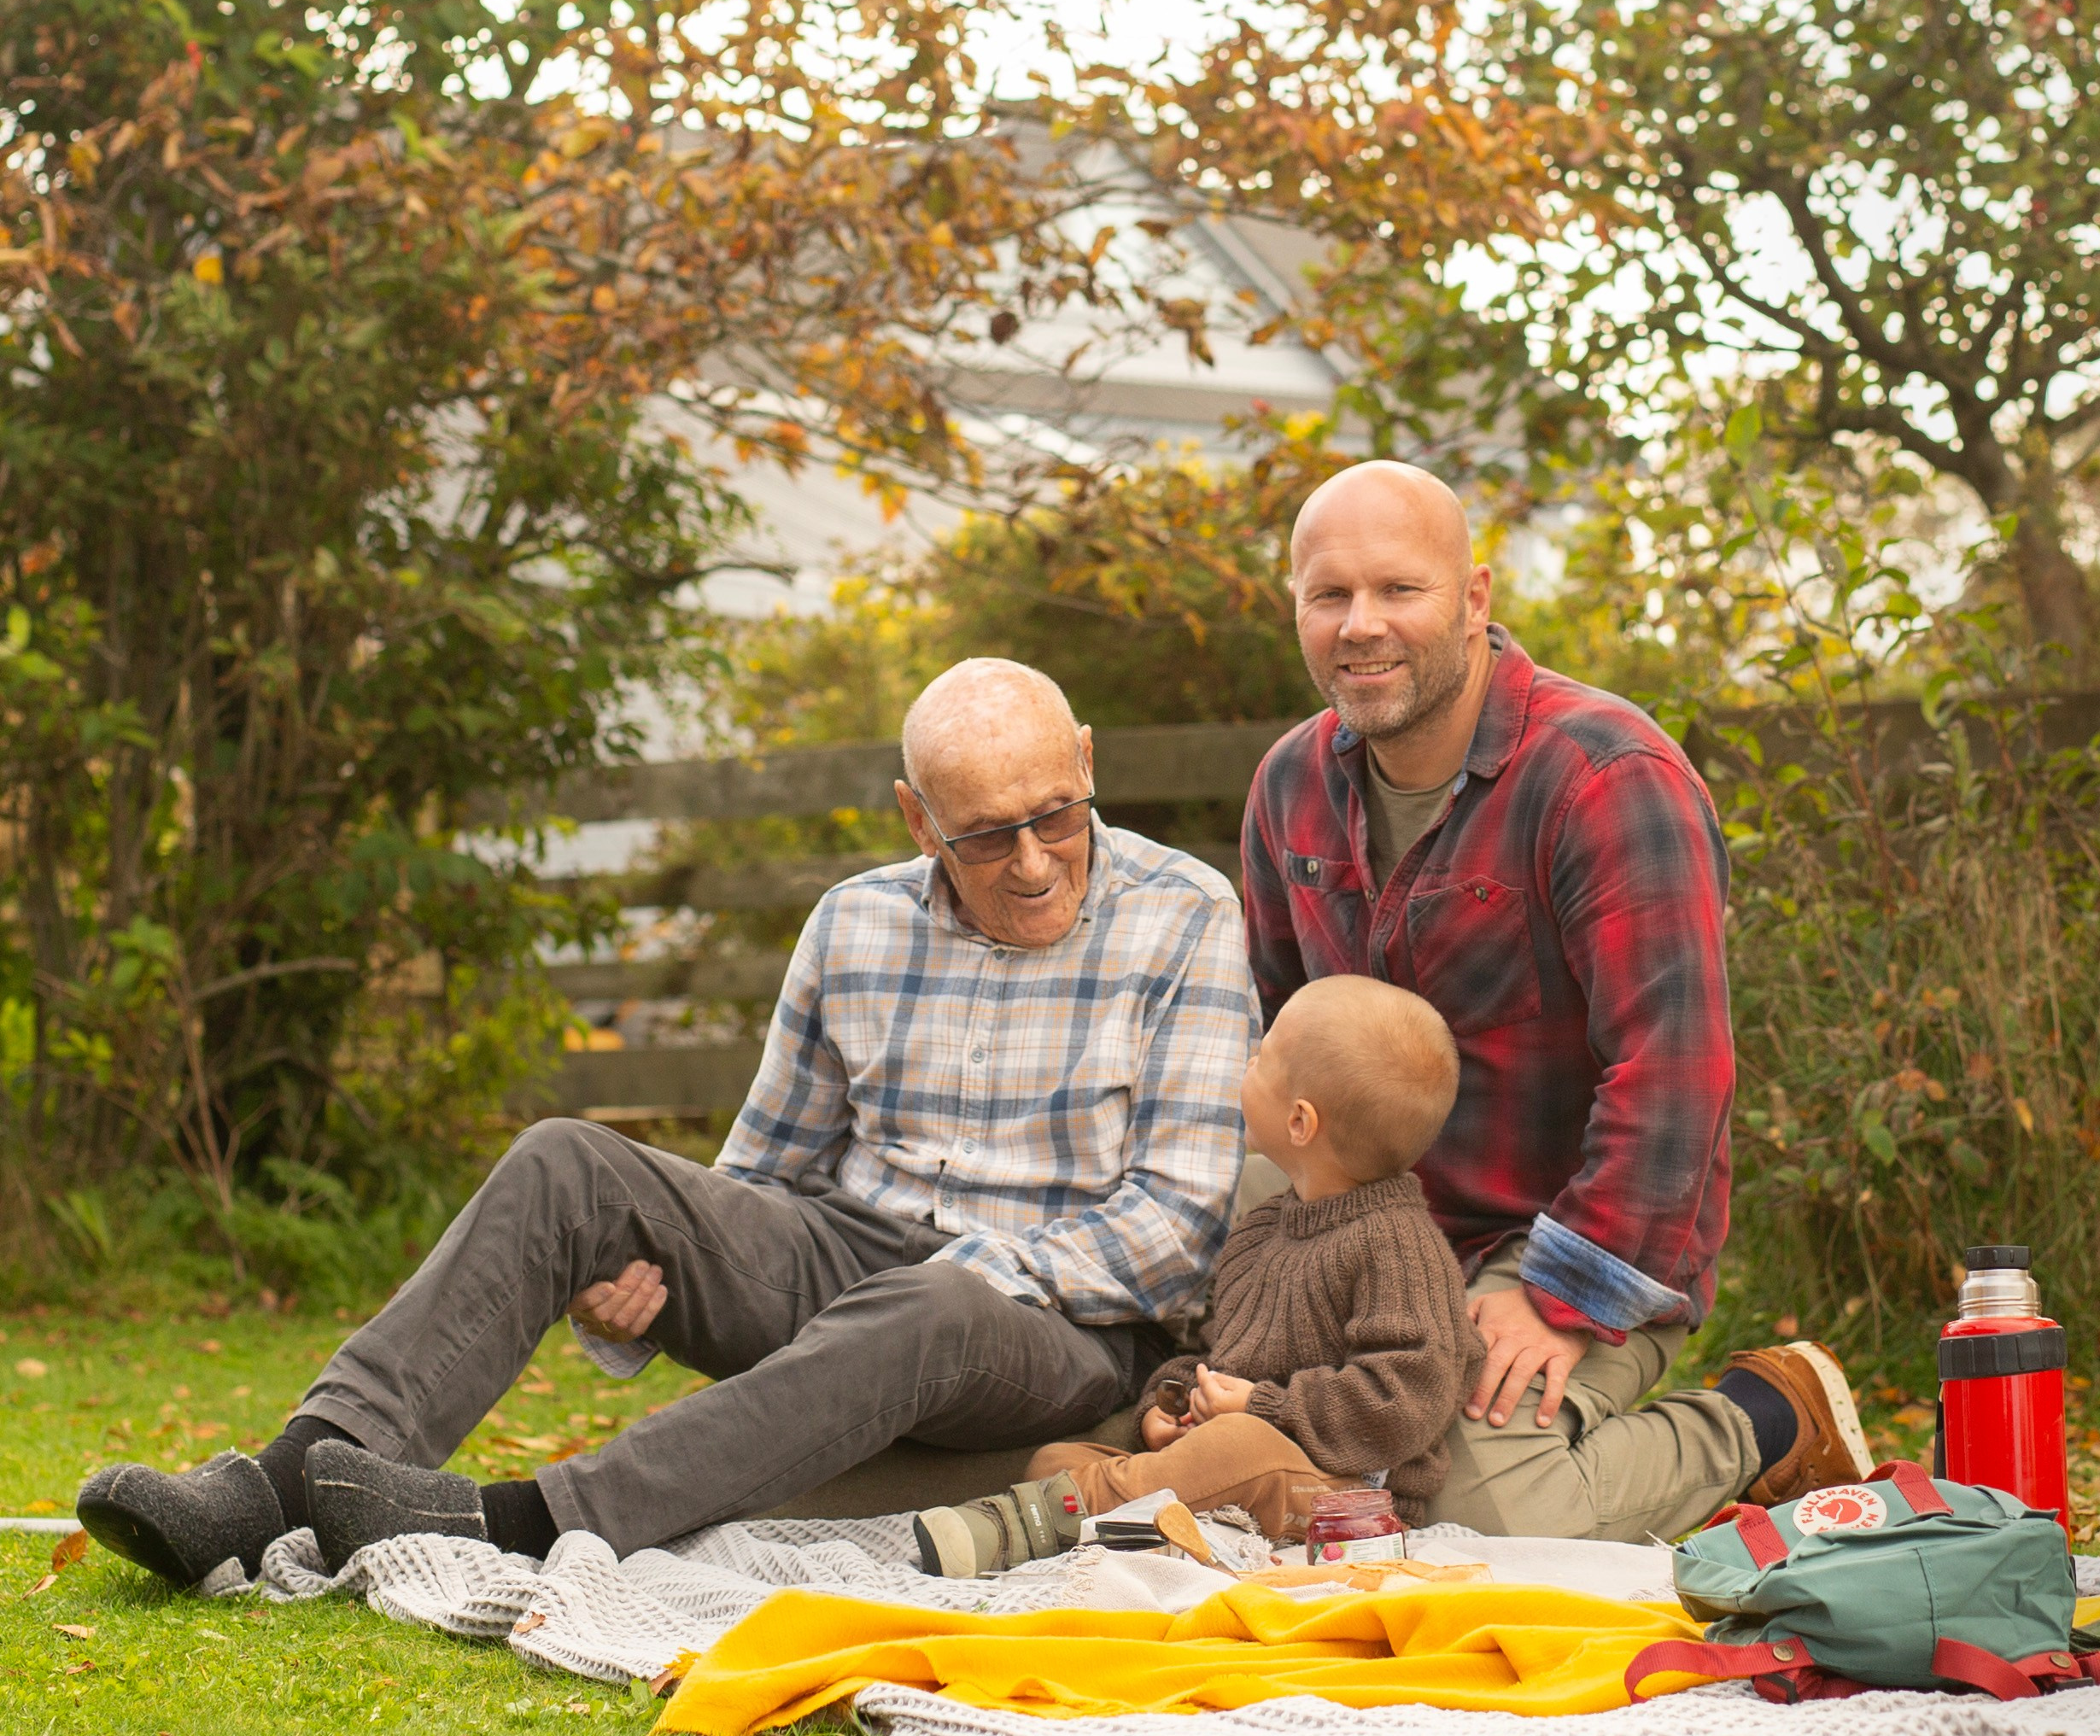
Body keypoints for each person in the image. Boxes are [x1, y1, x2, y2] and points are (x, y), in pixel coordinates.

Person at [79, 661, 1254, 1587]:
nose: (1038, 861)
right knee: (568, 1164)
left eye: (1059, 812)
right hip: (852, 1256)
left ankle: (522, 1521)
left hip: (1056, 1324)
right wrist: (645, 1282)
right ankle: (274, 1490)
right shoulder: (854, 925)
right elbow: (758, 1179)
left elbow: (1174, 1224)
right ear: (917, 818)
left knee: (940, 1298)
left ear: (1088, 762)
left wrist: (968, 1269)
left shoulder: (1187, 914)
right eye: (989, 836)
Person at [1241, 459, 1873, 1543]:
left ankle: (1766, 1417)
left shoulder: (1604, 777)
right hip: (1383, 1237)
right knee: (1263, 1443)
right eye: (1328, 596)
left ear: (1476, 598)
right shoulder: (1288, 786)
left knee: (1479, 1509)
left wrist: (1559, 1295)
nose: (1361, 625)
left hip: (1564, 1238)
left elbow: (1675, 1078)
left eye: (1400, 589)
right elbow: (1283, 1041)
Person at [913, 974, 1481, 1575]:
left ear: (1299, 1122)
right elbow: (1218, 1352)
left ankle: (1020, 1526)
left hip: (1346, 1498)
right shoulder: (1262, 1230)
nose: (1247, 1061)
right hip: (1231, 1463)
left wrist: (1264, 1408)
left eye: (1262, 1056)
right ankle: (1136, 1529)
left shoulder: (1398, 1245)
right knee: (1058, 1461)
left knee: (1238, 1448)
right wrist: (1176, 1401)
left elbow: (1407, 1401)